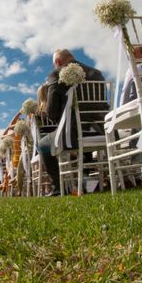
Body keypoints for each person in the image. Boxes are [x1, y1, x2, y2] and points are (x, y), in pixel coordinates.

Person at [37, 49, 106, 196]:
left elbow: (52, 113)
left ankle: (58, 187)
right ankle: (90, 179)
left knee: (42, 145)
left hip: (73, 133)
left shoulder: (56, 74)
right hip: (101, 130)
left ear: (57, 62)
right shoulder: (97, 73)